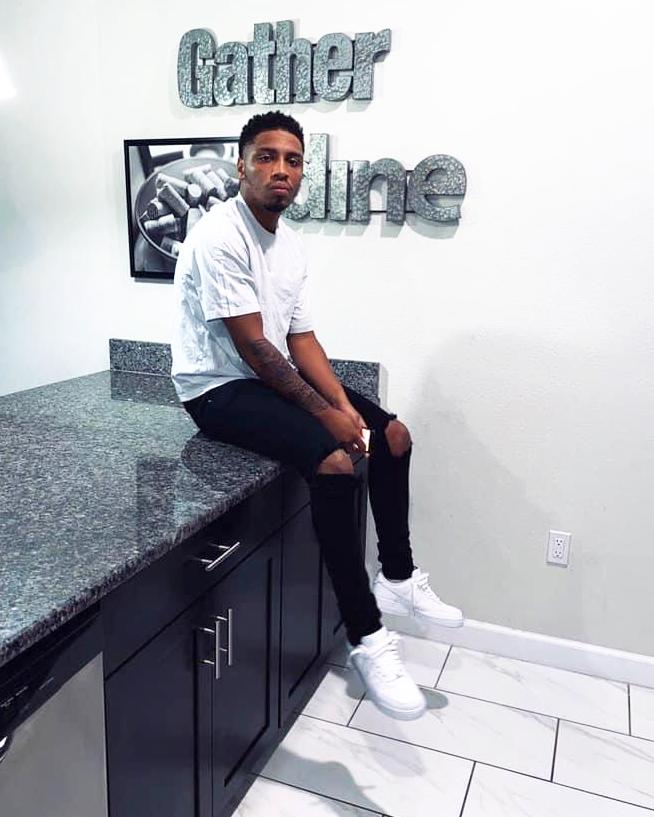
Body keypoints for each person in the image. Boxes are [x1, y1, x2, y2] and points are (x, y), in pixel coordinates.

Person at [170, 111, 464, 721]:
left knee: (392, 435)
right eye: (267, 157)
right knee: (334, 461)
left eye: (293, 160)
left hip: (265, 375)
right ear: (241, 165)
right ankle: (367, 637)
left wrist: (345, 406)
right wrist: (327, 418)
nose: (281, 169)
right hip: (216, 388)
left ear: (303, 171)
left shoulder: (290, 244)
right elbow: (254, 347)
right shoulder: (219, 235)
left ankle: (398, 578)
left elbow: (300, 341)